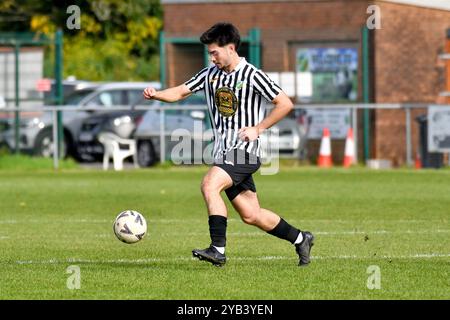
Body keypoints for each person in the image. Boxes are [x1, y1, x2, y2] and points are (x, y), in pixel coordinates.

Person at [143, 22, 314, 267]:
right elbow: (180, 92)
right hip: (224, 153)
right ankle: (301, 239)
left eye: (215, 52)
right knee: (251, 215)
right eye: (209, 53)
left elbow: (285, 103)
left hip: (245, 152)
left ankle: (217, 250)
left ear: (231, 48)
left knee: (209, 184)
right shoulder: (210, 74)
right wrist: (156, 94)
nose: (211, 58)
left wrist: (258, 128)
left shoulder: (253, 75)